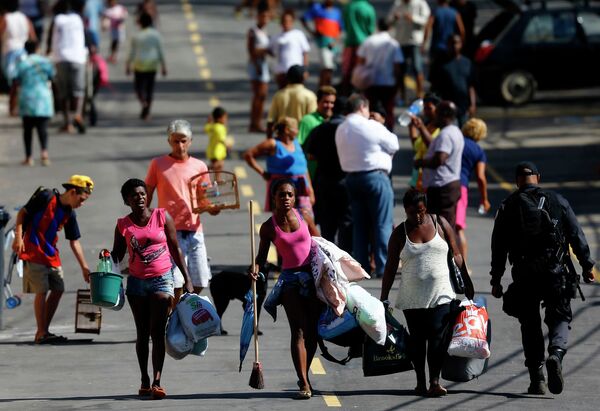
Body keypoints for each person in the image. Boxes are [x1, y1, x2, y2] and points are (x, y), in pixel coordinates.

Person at [490, 162, 596, 395]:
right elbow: (575, 233)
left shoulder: (508, 206)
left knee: (529, 324)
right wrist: (587, 265)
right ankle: (556, 354)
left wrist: (496, 279)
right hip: (555, 270)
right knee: (559, 315)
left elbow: (498, 246)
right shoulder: (557, 201)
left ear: (517, 180)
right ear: (538, 177)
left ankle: (537, 378)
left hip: (525, 272)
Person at [381, 189, 470, 397]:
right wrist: (383, 297)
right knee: (418, 341)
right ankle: (420, 382)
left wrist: (467, 280)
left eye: (421, 211)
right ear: (405, 211)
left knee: (438, 338)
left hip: (442, 293)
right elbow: (390, 267)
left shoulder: (440, 224)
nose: (418, 217)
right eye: (412, 213)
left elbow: (456, 252)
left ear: (426, 208)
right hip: (413, 297)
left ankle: (434, 381)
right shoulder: (399, 234)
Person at [111, 178, 194, 400]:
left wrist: (187, 278)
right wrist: (106, 257)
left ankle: (157, 381)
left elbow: (175, 249)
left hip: (162, 279)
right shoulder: (123, 224)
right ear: (127, 200)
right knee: (142, 334)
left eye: (142, 193)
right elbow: (117, 255)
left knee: (157, 332)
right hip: (136, 283)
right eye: (133, 195)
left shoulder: (161, 216)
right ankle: (144, 380)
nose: (139, 197)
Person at [251, 179, 320, 399]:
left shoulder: (304, 216)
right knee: (298, 331)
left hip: (311, 277)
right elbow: (261, 258)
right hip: (290, 281)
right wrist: (255, 268)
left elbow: (320, 243)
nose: (287, 198)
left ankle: (304, 374)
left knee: (313, 333)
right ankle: (304, 382)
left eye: (290, 194)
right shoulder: (269, 227)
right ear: (274, 198)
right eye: (282, 195)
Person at [12, 175, 94, 344]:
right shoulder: (46, 196)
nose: (82, 203)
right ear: (72, 192)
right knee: (41, 291)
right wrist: (18, 237)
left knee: (58, 289)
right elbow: (23, 213)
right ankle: (41, 332)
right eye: (82, 198)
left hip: (51, 254)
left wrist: (84, 267)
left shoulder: (70, 214)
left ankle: (44, 330)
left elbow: (74, 241)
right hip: (33, 250)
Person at [145, 120, 217, 303]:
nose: (180, 145)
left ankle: (179, 310)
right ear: (169, 141)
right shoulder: (158, 164)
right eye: (176, 141)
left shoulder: (200, 166)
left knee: (201, 279)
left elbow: (204, 200)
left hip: (194, 229)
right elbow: (146, 196)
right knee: (175, 281)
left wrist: (214, 208)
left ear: (191, 141)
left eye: (184, 141)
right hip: (169, 232)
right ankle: (174, 318)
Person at [335, 94, 399, 277]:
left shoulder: (341, 128)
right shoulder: (371, 125)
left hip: (351, 179)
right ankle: (384, 266)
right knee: (382, 223)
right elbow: (394, 143)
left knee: (360, 225)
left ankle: (362, 266)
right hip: (375, 176)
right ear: (363, 107)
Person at [304, 96, 352, 253]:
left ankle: (328, 257)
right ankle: (345, 258)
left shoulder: (320, 129)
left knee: (327, 223)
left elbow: (309, 154)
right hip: (346, 181)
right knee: (346, 221)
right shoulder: (350, 130)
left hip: (324, 181)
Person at [244, 116, 315, 216]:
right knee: (284, 220)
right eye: (295, 128)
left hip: (301, 188)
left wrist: (310, 190)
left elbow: (304, 168)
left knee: (305, 219)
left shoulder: (296, 143)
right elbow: (249, 155)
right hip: (282, 190)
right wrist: (262, 172)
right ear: (286, 130)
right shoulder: (273, 143)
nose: (298, 131)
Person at [415, 100, 464, 228]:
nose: (434, 116)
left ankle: (446, 248)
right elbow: (433, 146)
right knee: (446, 225)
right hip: (448, 185)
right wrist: (421, 127)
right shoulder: (455, 131)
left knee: (441, 228)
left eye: (436, 113)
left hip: (442, 188)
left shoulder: (446, 135)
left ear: (444, 115)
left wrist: (420, 162)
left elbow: (439, 159)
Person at [47, 0, 87, 134]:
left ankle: (67, 123)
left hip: (61, 58)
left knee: (63, 93)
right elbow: (85, 37)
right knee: (78, 91)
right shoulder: (78, 19)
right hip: (78, 58)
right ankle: (77, 114)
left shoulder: (57, 19)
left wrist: (49, 53)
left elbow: (50, 39)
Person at [11, 39, 54, 166]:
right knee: (43, 128)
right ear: (37, 48)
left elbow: (15, 80)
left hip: (27, 98)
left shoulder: (22, 63)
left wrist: (12, 103)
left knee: (27, 129)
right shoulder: (45, 62)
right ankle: (44, 153)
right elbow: (52, 76)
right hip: (43, 98)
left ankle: (29, 157)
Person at [356, 18, 404, 130]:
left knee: (369, 109)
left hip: (370, 82)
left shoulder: (368, 41)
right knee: (388, 110)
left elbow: (360, 62)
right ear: (389, 28)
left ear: (377, 26)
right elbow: (397, 67)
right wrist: (398, 85)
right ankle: (389, 132)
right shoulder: (393, 44)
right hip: (388, 83)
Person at [456, 118, 489, 261]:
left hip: (442, 183)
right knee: (458, 228)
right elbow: (481, 177)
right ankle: (463, 269)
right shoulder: (478, 151)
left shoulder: (455, 141)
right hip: (460, 187)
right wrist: (484, 199)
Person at [126, 11, 166, 120]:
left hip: (139, 66)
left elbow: (132, 53)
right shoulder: (156, 35)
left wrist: (128, 65)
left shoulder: (137, 36)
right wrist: (163, 66)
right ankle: (147, 112)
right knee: (149, 89)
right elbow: (160, 51)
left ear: (140, 23)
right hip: (152, 65)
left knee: (138, 88)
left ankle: (143, 103)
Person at [386, 0, 430, 100]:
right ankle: (402, 95)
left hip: (414, 41)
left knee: (417, 67)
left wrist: (413, 18)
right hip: (401, 41)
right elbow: (388, 21)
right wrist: (394, 18)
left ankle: (419, 94)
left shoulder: (420, 3)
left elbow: (426, 20)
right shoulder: (397, 4)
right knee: (401, 70)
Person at [1, 0, 36, 114]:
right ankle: (17, 106)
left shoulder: (5, 18)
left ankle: (13, 107)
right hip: (23, 51)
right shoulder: (25, 18)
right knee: (20, 80)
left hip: (9, 51)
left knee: (13, 81)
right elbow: (32, 36)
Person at [422, 0, 464, 92]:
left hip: (437, 47)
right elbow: (461, 30)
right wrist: (460, 44)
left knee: (435, 74)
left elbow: (428, 28)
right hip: (450, 49)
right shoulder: (454, 12)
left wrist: (424, 43)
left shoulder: (435, 12)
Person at [266, 65, 317, 138]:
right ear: (304, 77)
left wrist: (269, 140)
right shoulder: (309, 96)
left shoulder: (279, 95)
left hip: (283, 139)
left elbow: (270, 120)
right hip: (302, 139)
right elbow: (313, 121)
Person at [301, 0, 343, 86]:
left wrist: (335, 41)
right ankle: (325, 90)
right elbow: (303, 19)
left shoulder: (337, 12)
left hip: (334, 46)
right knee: (328, 68)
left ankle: (323, 91)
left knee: (327, 70)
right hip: (323, 44)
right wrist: (312, 32)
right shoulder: (317, 9)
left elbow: (340, 29)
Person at [298, 85, 336, 179]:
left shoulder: (336, 121)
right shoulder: (307, 120)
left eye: (332, 102)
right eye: (326, 102)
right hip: (311, 175)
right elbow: (298, 147)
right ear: (318, 102)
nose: (329, 106)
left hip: (331, 176)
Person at [438, 34, 475, 127]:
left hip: (463, 107)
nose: (455, 46)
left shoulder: (467, 63)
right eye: (452, 43)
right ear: (447, 45)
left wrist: (472, 104)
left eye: (457, 43)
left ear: (461, 44)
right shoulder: (441, 64)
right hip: (448, 109)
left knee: (464, 134)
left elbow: (471, 86)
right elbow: (435, 87)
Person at [340, 0, 375, 95]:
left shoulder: (348, 7)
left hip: (349, 43)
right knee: (362, 73)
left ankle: (345, 97)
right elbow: (370, 29)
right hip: (364, 45)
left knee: (347, 72)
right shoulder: (368, 8)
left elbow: (345, 25)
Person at [270, 9, 310, 89]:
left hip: (296, 72)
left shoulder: (298, 34)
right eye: (284, 21)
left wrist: (305, 70)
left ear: (292, 22)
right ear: (281, 22)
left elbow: (305, 53)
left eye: (289, 21)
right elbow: (272, 53)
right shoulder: (276, 37)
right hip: (282, 72)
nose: (286, 23)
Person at [408, 93, 441, 190]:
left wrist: (421, 127)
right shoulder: (427, 125)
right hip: (417, 175)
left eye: (429, 108)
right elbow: (417, 146)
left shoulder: (442, 129)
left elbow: (431, 146)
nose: (426, 112)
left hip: (432, 176)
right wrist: (412, 127)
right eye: (425, 109)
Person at [246, 1, 270, 133]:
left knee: (262, 96)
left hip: (263, 64)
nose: (265, 19)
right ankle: (254, 122)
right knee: (258, 95)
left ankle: (257, 120)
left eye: (267, 17)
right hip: (256, 65)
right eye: (263, 16)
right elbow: (251, 50)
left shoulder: (265, 31)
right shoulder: (253, 31)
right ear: (258, 17)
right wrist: (256, 65)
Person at [204, 106, 230, 176]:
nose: (226, 120)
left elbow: (206, 128)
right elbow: (222, 139)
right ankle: (205, 169)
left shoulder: (212, 126)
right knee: (219, 165)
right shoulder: (220, 128)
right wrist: (228, 146)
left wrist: (209, 121)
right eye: (225, 118)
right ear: (219, 118)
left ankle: (218, 179)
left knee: (218, 167)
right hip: (218, 151)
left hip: (211, 150)